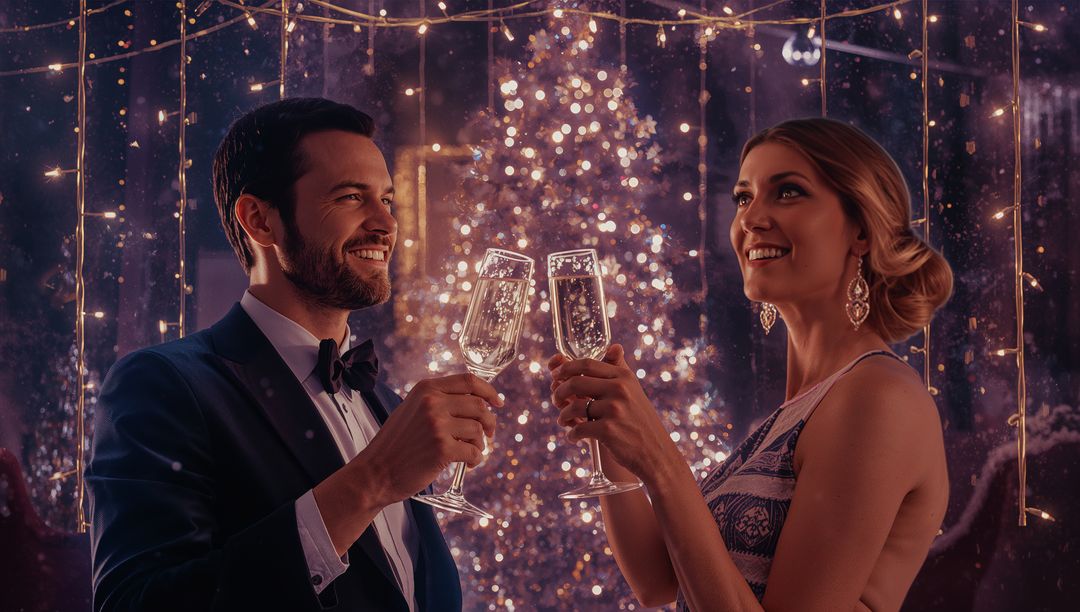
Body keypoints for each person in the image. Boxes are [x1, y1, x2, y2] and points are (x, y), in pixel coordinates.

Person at [87, 98, 502, 611]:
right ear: (259, 221)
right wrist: (372, 482)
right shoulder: (162, 386)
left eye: (387, 200)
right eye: (351, 197)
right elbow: (136, 604)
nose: (385, 224)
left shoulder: (388, 404)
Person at [548, 118, 953, 611]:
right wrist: (610, 434)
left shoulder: (877, 399)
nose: (751, 218)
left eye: (787, 192)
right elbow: (659, 581)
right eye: (744, 197)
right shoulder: (801, 409)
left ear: (862, 231)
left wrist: (659, 458)